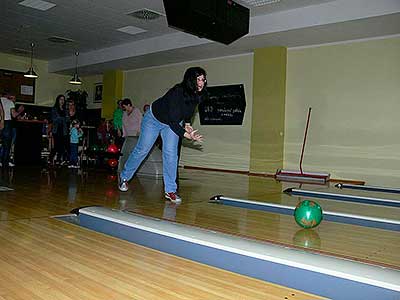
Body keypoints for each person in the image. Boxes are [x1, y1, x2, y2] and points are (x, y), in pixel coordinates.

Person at [118, 67, 207, 203]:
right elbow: (171, 119)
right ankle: (124, 177)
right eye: (198, 79)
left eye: (203, 79)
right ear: (191, 80)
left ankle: (170, 190)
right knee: (142, 149)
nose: (202, 82)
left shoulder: (197, 95)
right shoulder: (177, 92)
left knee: (171, 154)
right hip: (154, 119)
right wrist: (186, 135)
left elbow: (189, 111)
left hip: (173, 121)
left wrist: (188, 125)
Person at [118, 98, 143, 173]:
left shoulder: (137, 111)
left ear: (129, 105)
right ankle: (125, 168)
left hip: (136, 134)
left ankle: (135, 169)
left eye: (124, 106)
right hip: (128, 136)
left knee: (134, 152)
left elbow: (140, 122)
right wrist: (124, 134)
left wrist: (139, 132)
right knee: (127, 152)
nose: (124, 108)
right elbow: (123, 124)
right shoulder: (125, 113)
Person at [0, 92, 24, 167]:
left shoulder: (2, 101)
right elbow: (14, 115)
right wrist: (20, 110)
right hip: (7, 124)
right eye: (12, 97)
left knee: (4, 145)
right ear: (8, 96)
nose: (14, 99)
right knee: (7, 145)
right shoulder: (9, 102)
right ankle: (4, 164)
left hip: (5, 123)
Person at [50, 94, 68, 165]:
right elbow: (54, 119)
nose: (62, 101)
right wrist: (62, 118)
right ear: (58, 100)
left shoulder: (65, 110)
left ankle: (58, 159)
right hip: (56, 129)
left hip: (63, 130)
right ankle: (51, 158)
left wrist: (62, 118)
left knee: (62, 145)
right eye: (61, 99)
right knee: (56, 145)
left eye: (63, 99)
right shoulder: (54, 109)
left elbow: (67, 119)